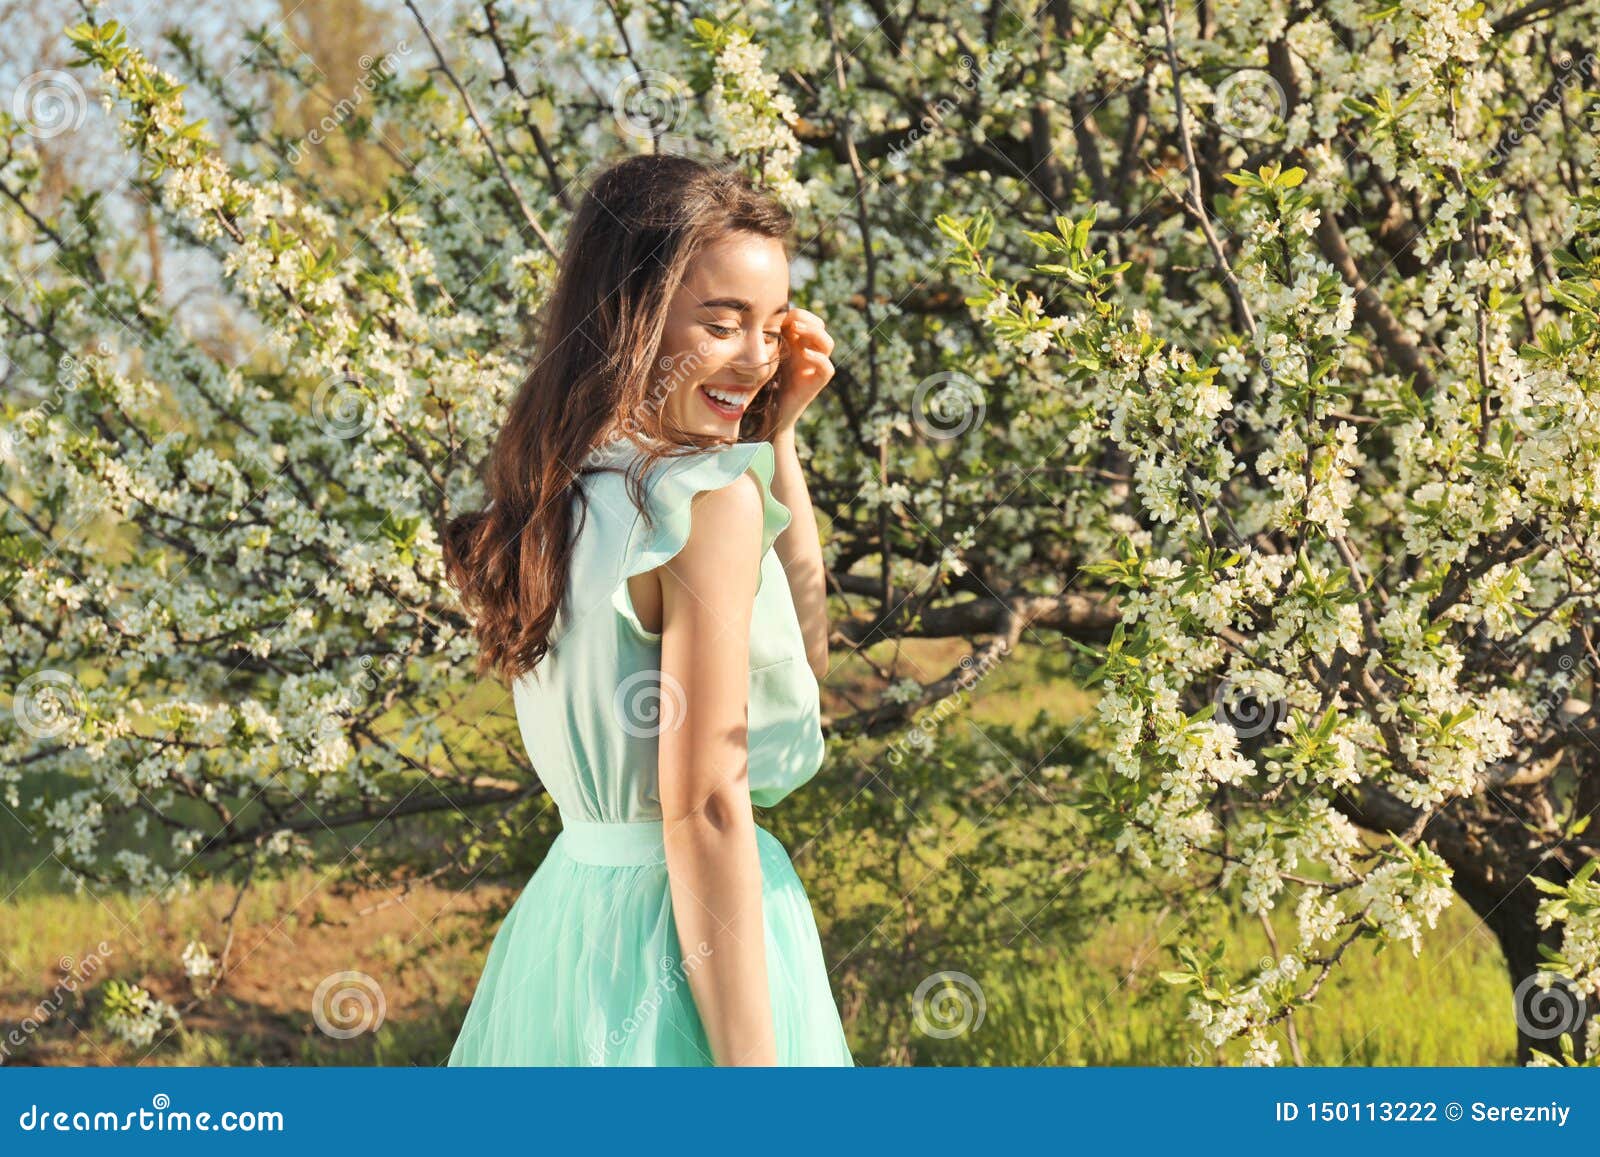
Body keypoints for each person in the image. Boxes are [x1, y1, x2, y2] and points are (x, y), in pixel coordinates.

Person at [438, 152, 852, 1066]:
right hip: (694, 941)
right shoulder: (705, 501)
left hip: (571, 924)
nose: (755, 357)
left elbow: (796, 665)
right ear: (632, 314)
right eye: (721, 323)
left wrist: (772, 436)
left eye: (773, 327)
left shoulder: (559, 492)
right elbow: (705, 803)